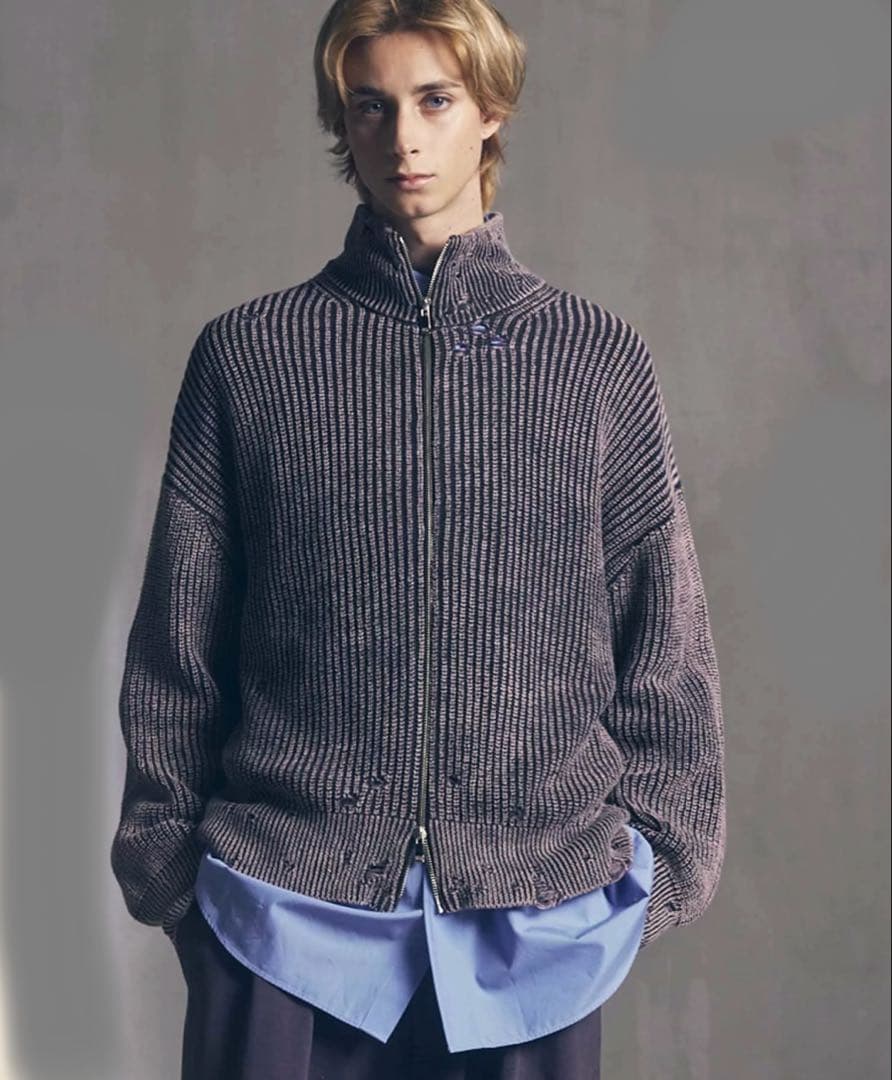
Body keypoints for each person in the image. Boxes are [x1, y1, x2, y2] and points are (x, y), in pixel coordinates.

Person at [110, 1, 727, 1077]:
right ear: (341, 124)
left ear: (490, 111)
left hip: (537, 925)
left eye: (434, 101)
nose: (401, 137)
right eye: (370, 106)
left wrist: (660, 871)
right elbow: (178, 644)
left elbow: (663, 642)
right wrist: (173, 876)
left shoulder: (595, 362)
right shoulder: (250, 358)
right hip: (281, 917)